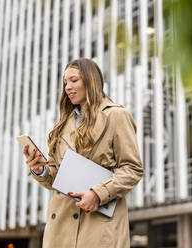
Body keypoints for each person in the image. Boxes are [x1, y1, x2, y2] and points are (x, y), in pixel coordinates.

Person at [22, 58, 143, 248]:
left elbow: (133, 169)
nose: (67, 87)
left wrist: (98, 193)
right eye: (65, 83)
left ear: (91, 80)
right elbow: (56, 178)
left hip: (98, 224)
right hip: (60, 227)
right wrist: (40, 170)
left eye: (74, 80)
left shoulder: (116, 116)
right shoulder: (62, 125)